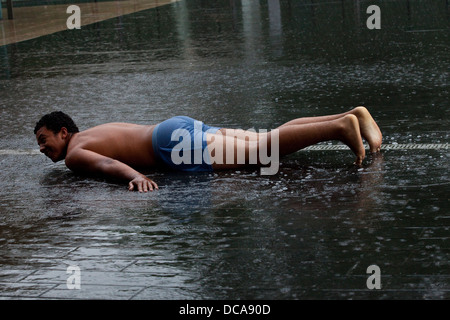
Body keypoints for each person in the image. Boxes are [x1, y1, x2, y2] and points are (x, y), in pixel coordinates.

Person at [34, 107, 382, 192]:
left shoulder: (76, 153)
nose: (41, 148)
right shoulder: (91, 133)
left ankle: (339, 128)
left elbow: (107, 164)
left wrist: (136, 177)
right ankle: (352, 115)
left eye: (43, 139)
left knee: (263, 150)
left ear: (63, 132)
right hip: (176, 127)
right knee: (263, 138)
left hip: (172, 144)